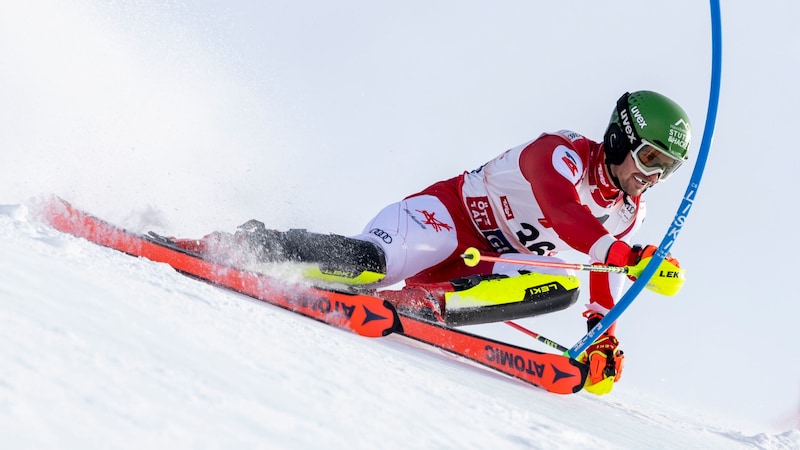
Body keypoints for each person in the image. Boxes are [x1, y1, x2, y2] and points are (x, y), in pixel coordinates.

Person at [176, 90, 691, 394]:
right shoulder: (559, 154)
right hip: (445, 221)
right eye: (650, 160)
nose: (653, 177)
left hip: (482, 272)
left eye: (666, 170)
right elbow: (566, 214)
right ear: (622, 138)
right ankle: (244, 246)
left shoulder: (628, 214)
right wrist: (631, 259)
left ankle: (423, 306)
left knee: (564, 282)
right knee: (365, 265)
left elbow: (600, 274)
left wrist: (603, 335)